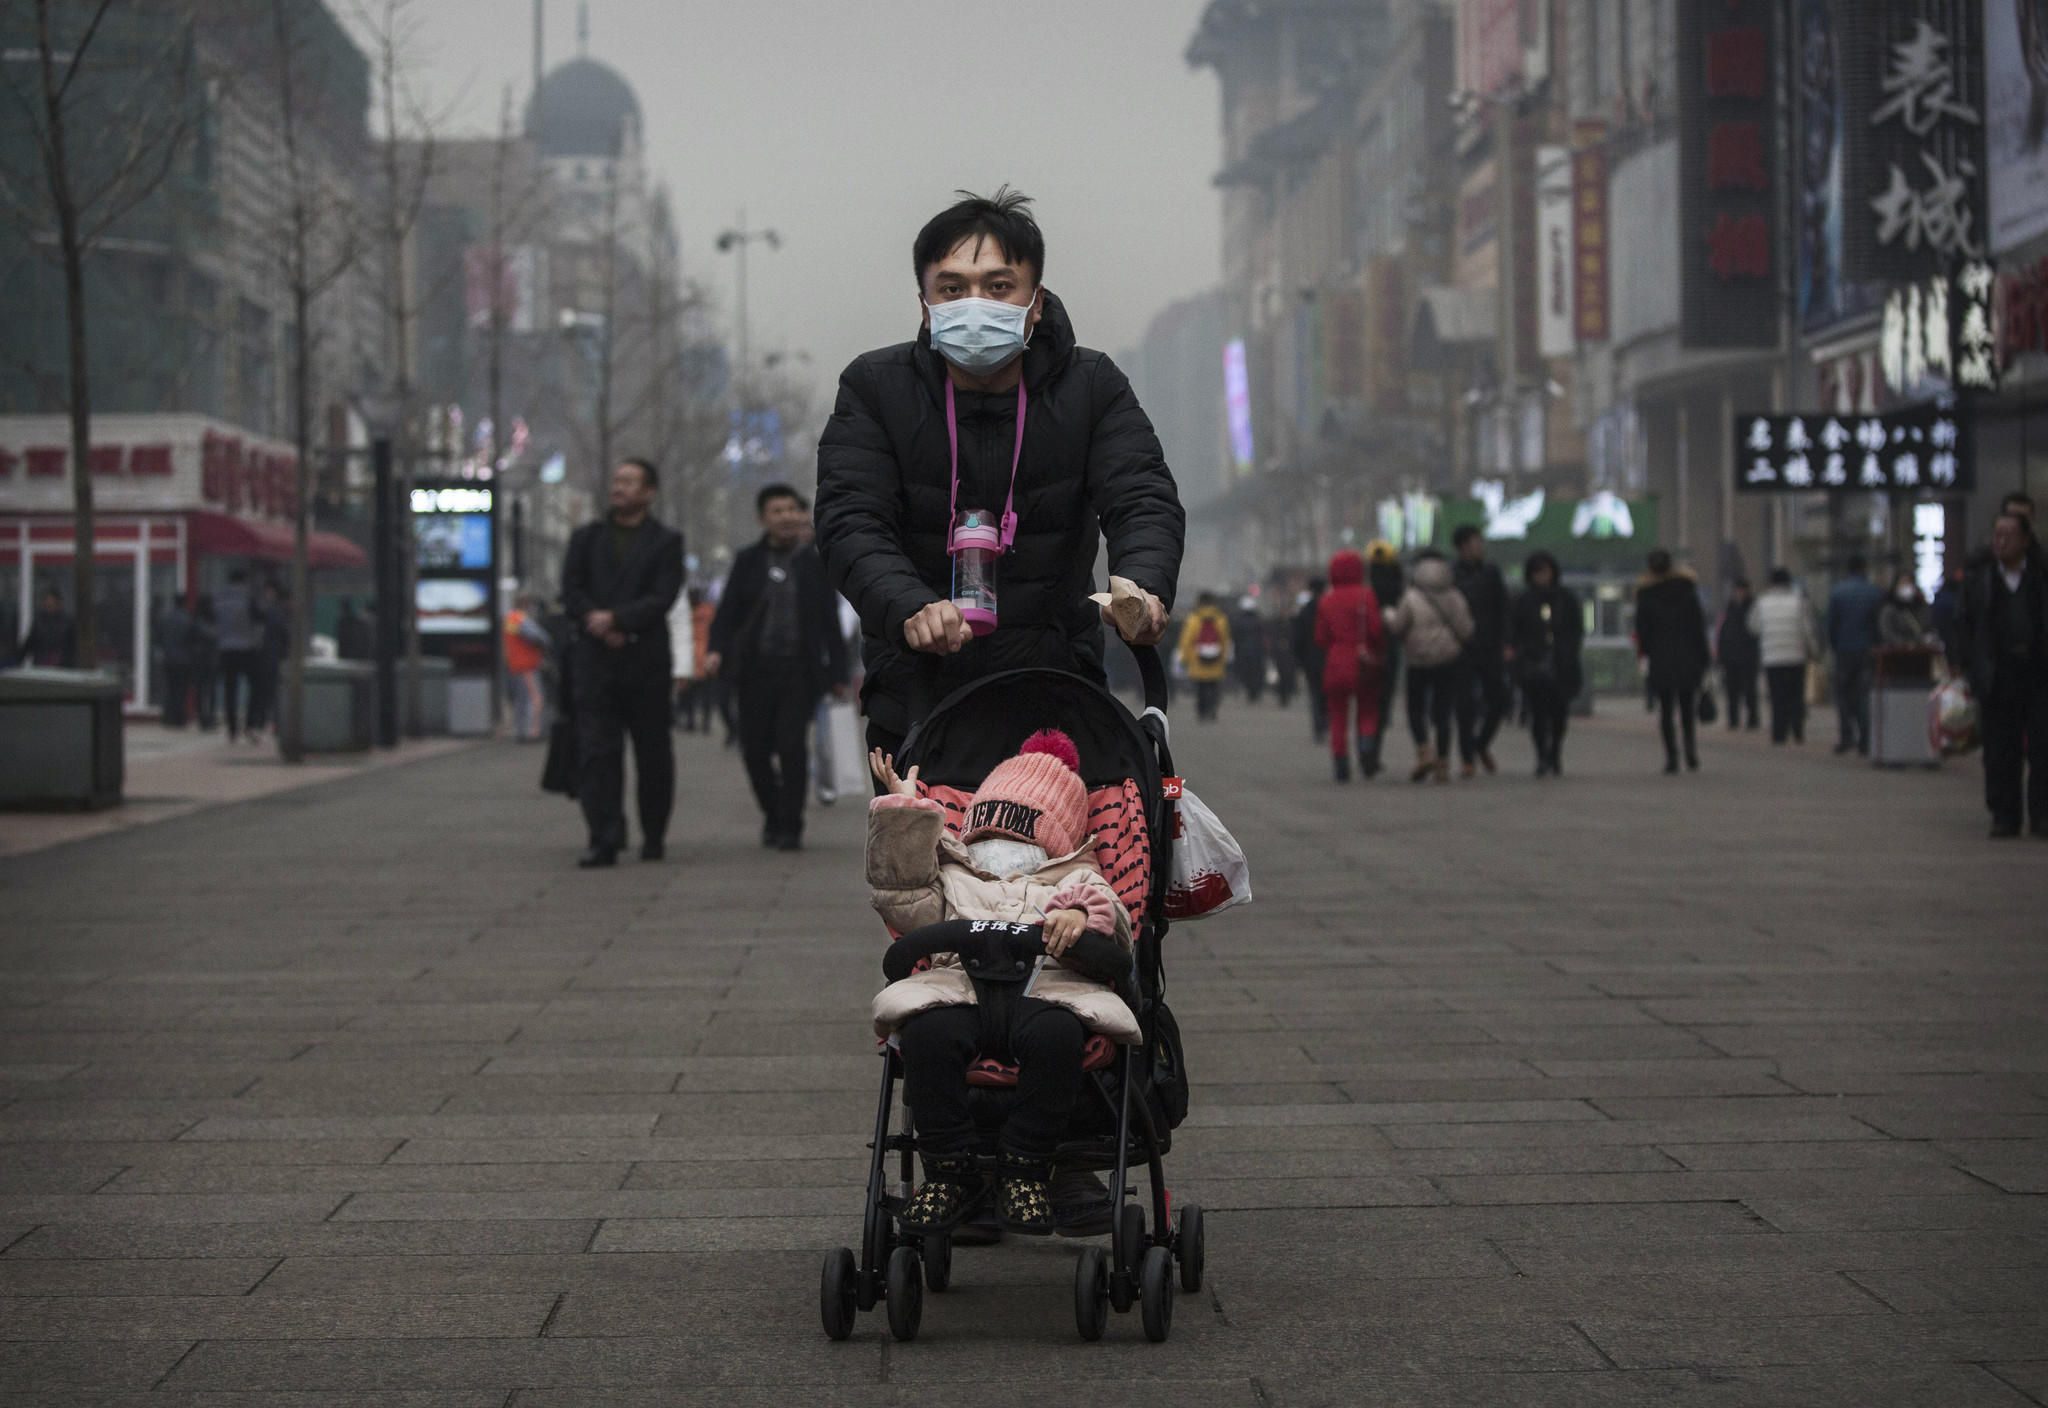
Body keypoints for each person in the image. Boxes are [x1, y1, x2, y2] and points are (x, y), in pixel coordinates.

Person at [814, 187, 1183, 759]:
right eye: (953, 288)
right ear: (925, 304)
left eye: (999, 286)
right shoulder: (875, 388)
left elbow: (1142, 497)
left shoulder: (1092, 386)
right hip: (917, 695)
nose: (975, 303)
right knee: (926, 850)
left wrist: (1143, 586)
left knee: (1067, 850)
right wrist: (909, 605)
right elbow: (850, 519)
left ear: (1035, 302)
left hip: (1059, 694)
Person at [866, 730, 1136, 1236]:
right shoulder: (951, 875)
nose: (998, 844)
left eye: (1015, 834)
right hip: (960, 989)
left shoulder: (1074, 879)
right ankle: (950, 1168)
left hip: (1046, 990)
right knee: (925, 1037)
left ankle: (1026, 1164)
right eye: (988, 831)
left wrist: (1080, 917)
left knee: (1058, 1039)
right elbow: (900, 896)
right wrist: (905, 818)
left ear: (1053, 839)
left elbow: (1113, 915)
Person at [705, 484, 852, 851]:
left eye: (792, 509)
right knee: (754, 749)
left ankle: (790, 824)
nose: (787, 516)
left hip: (800, 672)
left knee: (791, 745)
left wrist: (838, 674)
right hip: (753, 672)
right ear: (762, 518)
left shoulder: (814, 563)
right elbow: (726, 614)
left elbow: (830, 623)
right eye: (777, 510)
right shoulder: (747, 561)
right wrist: (715, 650)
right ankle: (772, 812)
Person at [560, 458, 686, 867]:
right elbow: (572, 589)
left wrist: (617, 619)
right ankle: (605, 836)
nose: (620, 487)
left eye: (630, 481)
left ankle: (653, 834)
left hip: (644, 663)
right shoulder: (586, 537)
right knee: (598, 752)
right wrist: (596, 622)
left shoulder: (665, 541)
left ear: (649, 492)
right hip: (594, 663)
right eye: (617, 480)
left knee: (652, 754)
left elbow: (662, 596)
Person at [1954, 512, 2048, 837]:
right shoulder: (1981, 578)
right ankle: (2005, 816)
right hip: (1997, 676)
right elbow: (1964, 624)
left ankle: (2042, 815)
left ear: (2025, 539)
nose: (2001, 540)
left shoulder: (2040, 576)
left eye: (2008, 534)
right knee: (2000, 752)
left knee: (2042, 748)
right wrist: (1966, 665)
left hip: (2037, 675)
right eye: (1997, 534)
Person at [1384, 549, 1472, 783]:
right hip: (1447, 660)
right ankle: (1442, 762)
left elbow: (1397, 628)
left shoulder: (1410, 597)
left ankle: (1424, 750)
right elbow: (1466, 630)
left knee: (1415, 709)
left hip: (1417, 660)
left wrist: (1389, 616)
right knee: (1443, 712)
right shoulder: (1455, 596)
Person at [1633, 549, 1710, 774]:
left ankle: (1671, 758)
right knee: (1687, 708)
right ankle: (1691, 752)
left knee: (1666, 710)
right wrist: (1703, 656)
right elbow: (1698, 626)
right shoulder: (1687, 590)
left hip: (1661, 657)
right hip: (1688, 655)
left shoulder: (1645, 595)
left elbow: (1642, 630)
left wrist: (1648, 652)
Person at [1312, 549, 1385, 781]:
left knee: (1337, 717)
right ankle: (1365, 749)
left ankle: (1341, 764)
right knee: (1367, 710)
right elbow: (1376, 630)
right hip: (1363, 663)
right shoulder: (1367, 595)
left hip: (1336, 663)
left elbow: (1320, 638)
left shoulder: (1327, 600)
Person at [1511, 550, 1583, 777]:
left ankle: (1555, 752)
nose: (1543, 577)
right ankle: (1542, 755)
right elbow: (1515, 631)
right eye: (1538, 572)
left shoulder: (1565, 598)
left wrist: (1568, 650)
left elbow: (1575, 629)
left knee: (1559, 713)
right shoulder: (1524, 600)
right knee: (1538, 714)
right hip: (1533, 664)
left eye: (1546, 571)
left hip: (1561, 663)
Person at [1450, 524, 1510, 777]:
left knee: (1499, 700)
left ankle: (1480, 744)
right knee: (1465, 704)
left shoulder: (1491, 572)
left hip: (1490, 646)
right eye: (1477, 541)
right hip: (1462, 648)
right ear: (1464, 545)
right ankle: (1467, 758)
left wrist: (1507, 642)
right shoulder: (1451, 575)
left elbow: (1504, 608)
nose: (1481, 545)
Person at [1749, 568, 1816, 744]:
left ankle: (1779, 734)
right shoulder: (1798, 601)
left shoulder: (1762, 602)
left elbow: (1753, 626)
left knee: (1777, 697)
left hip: (1772, 659)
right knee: (1796, 696)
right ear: (1788, 582)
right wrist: (1813, 651)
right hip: (1796, 657)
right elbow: (1807, 630)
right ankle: (1797, 731)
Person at [1827, 553, 1884, 755]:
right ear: (1864, 568)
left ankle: (1846, 737)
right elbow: (1879, 624)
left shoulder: (1838, 592)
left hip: (1843, 650)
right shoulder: (1874, 592)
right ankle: (1865, 740)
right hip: (1866, 650)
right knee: (1864, 694)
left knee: (1842, 694)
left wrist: (1834, 645)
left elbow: (1831, 624)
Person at [213, 568, 264, 743]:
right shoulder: (248, 597)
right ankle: (249, 724)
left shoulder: (219, 599)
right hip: (246, 648)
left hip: (225, 649)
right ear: (243, 581)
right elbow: (260, 617)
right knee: (256, 686)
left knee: (230, 690)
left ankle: (232, 729)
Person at [1366, 541, 1405, 758]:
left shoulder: (1367, 589)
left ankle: (1367, 748)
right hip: (1389, 649)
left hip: (1368, 651)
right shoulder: (1398, 587)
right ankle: (1373, 749)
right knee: (1383, 700)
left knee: (1368, 702)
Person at [1176, 592, 1231, 721]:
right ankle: (1212, 709)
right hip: (1216, 659)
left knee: (1201, 688)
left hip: (1198, 659)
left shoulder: (1193, 619)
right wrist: (1223, 657)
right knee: (1214, 686)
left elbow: (1186, 640)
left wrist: (1184, 658)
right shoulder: (1221, 619)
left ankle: (1202, 712)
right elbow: (1224, 640)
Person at [1715, 579, 1761, 731]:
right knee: (1731, 690)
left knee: (1749, 689)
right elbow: (1722, 633)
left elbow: (1755, 631)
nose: (1738, 594)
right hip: (1730, 657)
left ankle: (1752, 718)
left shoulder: (1752, 608)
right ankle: (1733, 719)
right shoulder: (1729, 610)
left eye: (1741, 591)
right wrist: (1721, 654)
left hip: (1747, 655)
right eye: (1736, 591)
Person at [503, 594, 548, 742]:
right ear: (527, 604)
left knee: (520, 700)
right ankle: (531, 732)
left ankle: (520, 731)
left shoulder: (510, 619)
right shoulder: (521, 619)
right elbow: (539, 637)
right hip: (527, 665)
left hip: (515, 665)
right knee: (534, 699)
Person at [1291, 579, 1327, 742]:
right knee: (1327, 693)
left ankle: (1318, 726)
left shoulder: (1304, 611)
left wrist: (1299, 660)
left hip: (1310, 659)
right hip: (1328, 657)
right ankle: (1326, 722)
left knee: (1314, 693)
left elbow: (1297, 638)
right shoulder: (1329, 608)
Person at [158, 596, 195, 726]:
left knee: (170, 689)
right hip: (183, 660)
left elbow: (159, 638)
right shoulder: (188, 620)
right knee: (181, 690)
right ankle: (179, 718)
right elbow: (192, 641)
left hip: (168, 658)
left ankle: (168, 717)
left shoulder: (165, 619)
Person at [16, 588, 75, 667]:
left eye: (52, 602)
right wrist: (18, 661)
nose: (49, 604)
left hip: (61, 668)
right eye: (47, 602)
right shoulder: (39, 623)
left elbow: (72, 647)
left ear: (58, 603)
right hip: (41, 666)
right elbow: (29, 643)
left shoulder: (67, 623)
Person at [189, 594, 220, 731]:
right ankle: (209, 717)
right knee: (210, 690)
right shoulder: (212, 621)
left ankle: (203, 717)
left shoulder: (194, 620)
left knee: (201, 690)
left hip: (199, 660)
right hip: (210, 660)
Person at [1878, 574, 1934, 649]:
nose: (1907, 586)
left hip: (1920, 650)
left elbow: (1928, 626)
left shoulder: (1921, 606)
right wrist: (1904, 643)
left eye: (1909, 583)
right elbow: (1887, 631)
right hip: (1895, 652)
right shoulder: (1889, 608)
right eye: (1903, 583)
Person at [1230, 595, 1268, 703]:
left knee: (1246, 673)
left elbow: (1235, 636)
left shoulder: (1238, 622)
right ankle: (1255, 692)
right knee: (1257, 673)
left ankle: (1251, 692)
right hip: (1257, 651)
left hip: (1243, 652)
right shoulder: (1259, 621)